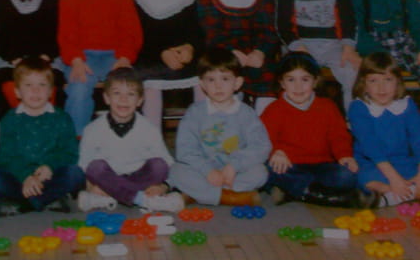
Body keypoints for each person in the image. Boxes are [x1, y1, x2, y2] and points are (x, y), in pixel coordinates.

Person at [58, 0, 142, 136]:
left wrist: (124, 57)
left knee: (125, 88)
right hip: (82, 57)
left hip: (114, 56)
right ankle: (76, 141)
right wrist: (76, 59)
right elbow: (66, 34)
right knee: (78, 88)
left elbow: (130, 30)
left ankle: (125, 138)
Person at [169, 47, 271, 207]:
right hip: (203, 172)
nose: (218, 86)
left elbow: (261, 147)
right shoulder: (195, 113)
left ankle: (199, 194)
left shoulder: (246, 113)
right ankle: (230, 197)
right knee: (175, 171)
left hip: (235, 172)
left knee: (260, 173)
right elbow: (185, 151)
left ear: (237, 83)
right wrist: (207, 170)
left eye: (225, 79)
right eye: (211, 80)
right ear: (202, 84)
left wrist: (234, 166)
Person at [0, 58, 82, 216]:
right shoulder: (10, 119)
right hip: (19, 178)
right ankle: (47, 201)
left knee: (75, 174)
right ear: (17, 92)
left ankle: (23, 204)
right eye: (28, 85)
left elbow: (70, 153)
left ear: (50, 91)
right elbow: (6, 157)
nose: (36, 91)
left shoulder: (62, 117)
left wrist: (49, 166)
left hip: (50, 177)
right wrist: (26, 176)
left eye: (42, 85)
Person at [261, 52, 361, 208]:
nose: (298, 86)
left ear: (315, 81)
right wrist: (276, 152)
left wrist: (345, 156)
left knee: (348, 176)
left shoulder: (327, 106)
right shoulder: (274, 109)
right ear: (282, 83)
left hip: (321, 166)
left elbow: (339, 136)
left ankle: (294, 191)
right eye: (291, 80)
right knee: (266, 170)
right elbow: (262, 140)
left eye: (305, 79)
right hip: (289, 165)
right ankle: (320, 196)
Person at [77, 67, 181, 213]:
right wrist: (90, 186)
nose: (123, 99)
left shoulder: (148, 128)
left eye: (130, 94)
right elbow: (83, 164)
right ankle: (141, 199)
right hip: (108, 177)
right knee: (95, 167)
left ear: (139, 101)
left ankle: (111, 196)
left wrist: (164, 186)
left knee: (159, 165)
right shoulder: (92, 129)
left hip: (138, 178)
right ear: (106, 98)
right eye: (117, 93)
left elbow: (167, 162)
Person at [196, 0, 278, 110]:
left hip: (255, 55)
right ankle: (233, 121)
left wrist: (260, 52)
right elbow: (211, 34)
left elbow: (269, 31)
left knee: (269, 79)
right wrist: (231, 52)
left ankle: (263, 122)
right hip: (223, 56)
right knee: (225, 79)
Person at [131, 0, 202, 126]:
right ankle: (155, 147)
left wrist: (190, 48)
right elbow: (137, 37)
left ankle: (204, 138)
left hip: (187, 59)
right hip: (151, 58)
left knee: (206, 81)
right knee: (150, 88)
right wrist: (162, 53)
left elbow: (199, 30)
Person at [347, 52, 420, 208]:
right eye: (373, 81)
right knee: (365, 178)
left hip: (403, 161)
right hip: (373, 163)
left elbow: (417, 138)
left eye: (388, 80)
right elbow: (370, 146)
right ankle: (390, 193)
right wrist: (394, 179)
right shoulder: (359, 107)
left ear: (398, 82)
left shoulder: (406, 105)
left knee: (414, 177)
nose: (382, 88)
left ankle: (395, 196)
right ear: (363, 84)